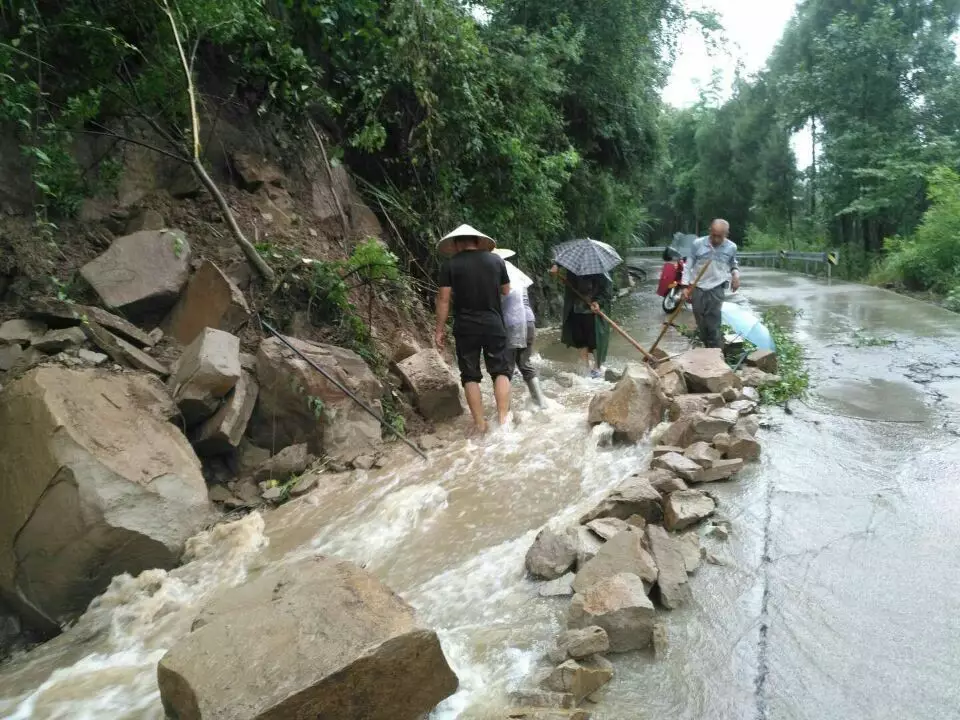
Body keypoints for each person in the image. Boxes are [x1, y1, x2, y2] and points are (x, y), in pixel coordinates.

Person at [434, 224, 512, 435]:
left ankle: (480, 424)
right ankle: (504, 420)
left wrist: (439, 330)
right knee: (501, 371)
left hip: (465, 327)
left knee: (470, 375)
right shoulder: (496, 260)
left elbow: (443, 299)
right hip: (493, 324)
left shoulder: (450, 265)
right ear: (478, 242)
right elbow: (506, 291)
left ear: (457, 243)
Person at [682, 218, 740, 348]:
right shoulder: (698, 244)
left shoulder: (731, 247)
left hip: (716, 288)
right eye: (713, 235)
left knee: (713, 322)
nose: (715, 239)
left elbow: (733, 264)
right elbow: (688, 265)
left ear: (726, 234)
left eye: (719, 236)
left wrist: (736, 276)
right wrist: (685, 286)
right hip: (698, 287)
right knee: (700, 319)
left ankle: (714, 351)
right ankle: (705, 343)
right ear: (709, 231)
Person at [497, 255, 546, 408]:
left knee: (505, 368)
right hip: (529, 321)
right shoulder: (515, 272)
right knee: (525, 363)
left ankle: (506, 412)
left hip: (511, 323)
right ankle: (542, 404)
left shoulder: (498, 272)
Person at [551, 264, 614, 377]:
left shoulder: (602, 269)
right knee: (580, 340)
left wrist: (598, 302)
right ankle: (585, 368)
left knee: (594, 341)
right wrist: (556, 267)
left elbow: (607, 292)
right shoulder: (574, 267)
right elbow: (568, 279)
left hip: (593, 312)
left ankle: (597, 368)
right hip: (576, 309)